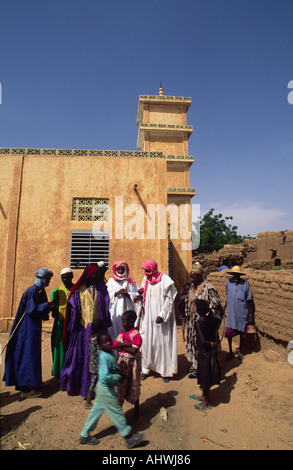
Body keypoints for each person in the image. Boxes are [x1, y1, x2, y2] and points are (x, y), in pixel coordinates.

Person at [79, 331, 144, 449]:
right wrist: (118, 377)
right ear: (100, 345)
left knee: (95, 412)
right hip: (106, 390)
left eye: (110, 340)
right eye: (105, 342)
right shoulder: (105, 357)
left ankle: (84, 434)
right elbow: (104, 377)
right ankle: (129, 438)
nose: (109, 343)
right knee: (117, 414)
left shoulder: (108, 353)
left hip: (101, 389)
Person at [60, 263, 111, 397]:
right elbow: (73, 309)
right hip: (82, 331)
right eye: (94, 274)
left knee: (97, 358)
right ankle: (82, 387)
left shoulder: (101, 288)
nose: (95, 277)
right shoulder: (79, 290)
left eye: (97, 275)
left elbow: (106, 306)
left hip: (98, 330)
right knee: (81, 356)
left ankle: (96, 388)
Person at [3, 269, 54, 398]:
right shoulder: (32, 291)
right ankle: (25, 389)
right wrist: (46, 306)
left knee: (34, 355)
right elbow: (31, 310)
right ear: (42, 279)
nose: (48, 283)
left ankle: (34, 382)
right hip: (26, 328)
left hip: (33, 327)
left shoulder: (40, 290)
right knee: (27, 355)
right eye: (47, 280)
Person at [138, 259, 177, 383]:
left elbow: (169, 299)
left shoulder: (165, 280)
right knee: (147, 341)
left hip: (161, 318)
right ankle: (146, 368)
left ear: (153, 269)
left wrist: (162, 314)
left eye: (147, 270)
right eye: (145, 270)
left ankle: (165, 371)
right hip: (148, 316)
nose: (146, 272)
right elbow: (142, 293)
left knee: (162, 343)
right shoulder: (146, 280)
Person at [185, 264, 223, 378]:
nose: (191, 279)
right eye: (190, 276)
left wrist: (207, 317)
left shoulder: (208, 287)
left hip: (204, 323)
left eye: (193, 276)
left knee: (202, 345)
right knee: (195, 343)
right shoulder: (192, 287)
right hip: (193, 323)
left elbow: (216, 304)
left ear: (200, 276)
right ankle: (197, 365)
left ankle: (202, 371)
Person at [113, 310, 142, 424]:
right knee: (120, 387)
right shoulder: (122, 333)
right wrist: (127, 345)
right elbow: (115, 344)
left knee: (133, 385)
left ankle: (137, 412)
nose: (122, 323)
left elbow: (134, 350)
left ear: (130, 322)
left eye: (124, 321)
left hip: (133, 365)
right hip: (123, 365)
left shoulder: (136, 334)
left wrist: (122, 345)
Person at [192, 299, 221, 411]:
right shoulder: (212, 320)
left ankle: (207, 402)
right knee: (205, 375)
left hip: (204, 352)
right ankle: (204, 396)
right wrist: (214, 344)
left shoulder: (199, 323)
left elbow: (203, 340)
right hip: (209, 352)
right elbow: (216, 335)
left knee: (205, 377)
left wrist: (211, 344)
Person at [224, 265, 253, 360]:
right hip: (231, 311)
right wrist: (224, 308)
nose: (235, 276)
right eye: (234, 274)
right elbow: (227, 297)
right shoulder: (229, 282)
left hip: (241, 311)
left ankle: (240, 351)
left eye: (237, 274)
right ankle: (230, 351)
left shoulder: (245, 284)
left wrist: (250, 314)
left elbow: (249, 300)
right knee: (228, 332)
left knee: (242, 332)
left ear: (240, 275)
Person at [50, 268, 74, 379]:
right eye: (63, 278)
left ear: (72, 277)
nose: (65, 280)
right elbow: (53, 310)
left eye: (67, 277)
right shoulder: (57, 291)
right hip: (60, 325)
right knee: (59, 348)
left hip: (73, 325)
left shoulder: (76, 289)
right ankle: (58, 372)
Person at [107, 261, 139, 341]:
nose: (120, 271)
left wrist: (128, 294)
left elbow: (137, 294)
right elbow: (107, 295)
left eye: (122, 269)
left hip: (128, 307)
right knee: (116, 327)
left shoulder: (131, 281)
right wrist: (117, 293)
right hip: (115, 310)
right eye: (118, 269)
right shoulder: (111, 281)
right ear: (115, 270)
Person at [85, 318, 106, 408]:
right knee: (94, 383)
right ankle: (88, 402)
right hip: (98, 366)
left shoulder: (92, 338)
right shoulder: (99, 340)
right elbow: (100, 353)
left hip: (93, 365)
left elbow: (90, 352)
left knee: (95, 383)